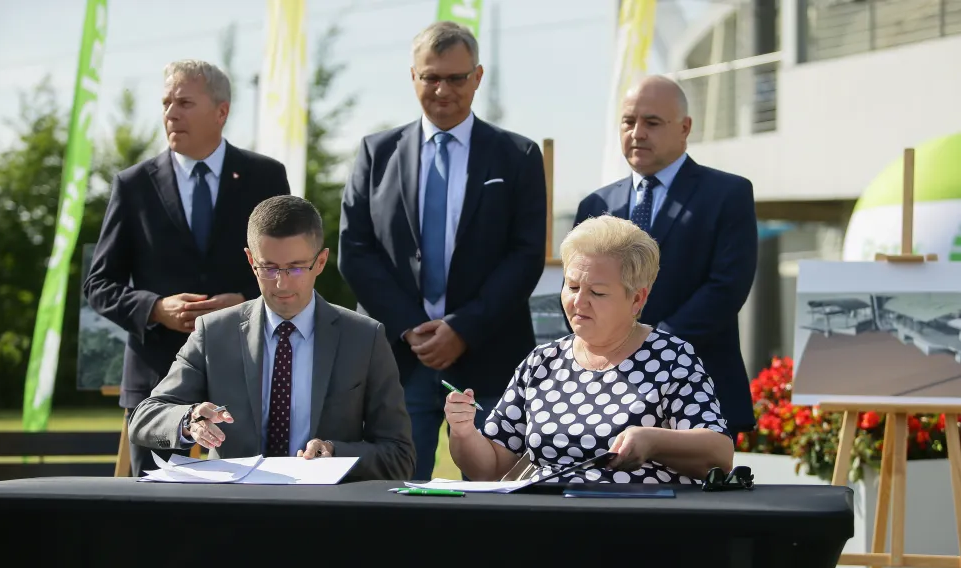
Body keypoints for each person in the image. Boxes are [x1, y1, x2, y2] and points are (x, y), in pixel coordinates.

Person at [338, 21, 547, 481]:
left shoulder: (518, 155)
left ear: (477, 76)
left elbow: (526, 254)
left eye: (455, 77)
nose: (442, 89)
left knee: (499, 499)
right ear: (412, 76)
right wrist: (412, 327)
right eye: (430, 76)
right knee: (393, 497)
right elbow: (355, 250)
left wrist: (462, 328)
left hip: (490, 359)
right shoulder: (376, 153)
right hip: (397, 360)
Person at [84, 59, 291, 477]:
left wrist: (247, 303)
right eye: (165, 103)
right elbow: (99, 285)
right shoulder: (133, 185)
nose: (170, 114)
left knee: (250, 510)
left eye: (183, 102)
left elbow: (290, 269)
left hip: (245, 373)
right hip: (157, 383)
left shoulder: (265, 177)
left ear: (221, 112)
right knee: (155, 519)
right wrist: (156, 308)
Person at [129, 195, 415, 482]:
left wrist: (333, 453)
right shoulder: (214, 332)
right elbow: (145, 417)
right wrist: (189, 419)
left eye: (296, 267)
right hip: (237, 512)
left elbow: (400, 455)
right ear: (251, 260)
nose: (282, 283)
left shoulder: (364, 338)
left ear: (321, 261)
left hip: (326, 513)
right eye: (269, 268)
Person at [446, 215, 734, 484]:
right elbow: (491, 467)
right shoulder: (542, 362)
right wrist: (464, 431)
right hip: (544, 523)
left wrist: (653, 441)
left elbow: (719, 453)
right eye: (571, 286)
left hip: (633, 527)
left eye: (597, 292)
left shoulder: (670, 357)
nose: (579, 302)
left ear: (637, 299)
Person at [572, 75, 758, 439]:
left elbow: (726, 288)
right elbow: (581, 291)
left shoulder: (727, 194)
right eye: (628, 121)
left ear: (685, 127)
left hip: (699, 389)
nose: (637, 133)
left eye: (652, 123)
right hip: (608, 395)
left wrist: (650, 347)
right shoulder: (595, 206)